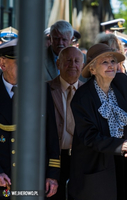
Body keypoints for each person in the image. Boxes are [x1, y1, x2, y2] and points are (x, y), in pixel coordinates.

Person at [68, 43, 127, 200]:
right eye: (104, 62)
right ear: (92, 69)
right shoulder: (82, 97)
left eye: (112, 61)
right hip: (97, 167)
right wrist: (121, 145)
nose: (111, 65)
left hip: (124, 162)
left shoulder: (121, 83)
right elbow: (89, 137)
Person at [0, 39, 60, 198]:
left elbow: (51, 135)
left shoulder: (40, 90)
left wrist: (52, 175)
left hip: (34, 177)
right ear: (2, 64)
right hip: (4, 178)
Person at [47, 46, 84, 200]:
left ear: (82, 65)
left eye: (77, 61)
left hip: (80, 159)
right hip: (54, 160)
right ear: (58, 64)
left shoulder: (88, 92)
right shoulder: (45, 90)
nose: (72, 65)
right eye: (68, 60)